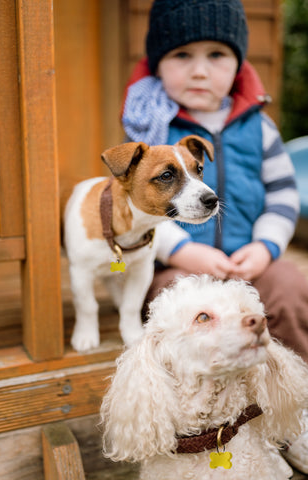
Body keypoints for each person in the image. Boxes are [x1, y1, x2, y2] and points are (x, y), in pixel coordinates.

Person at [121, 0, 308, 474]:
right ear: (157, 63)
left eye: (216, 55)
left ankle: (294, 413)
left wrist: (266, 247)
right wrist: (184, 249)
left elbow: (283, 195)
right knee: (167, 297)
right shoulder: (152, 128)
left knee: (290, 288)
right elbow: (136, 210)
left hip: (250, 262)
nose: (200, 71)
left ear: (239, 63)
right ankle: (195, 420)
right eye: (182, 56)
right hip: (183, 264)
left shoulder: (258, 128)